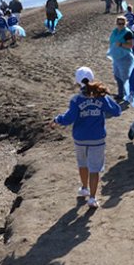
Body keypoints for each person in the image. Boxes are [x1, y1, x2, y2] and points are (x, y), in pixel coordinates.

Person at [50, 67, 122, 208]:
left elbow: (68, 119)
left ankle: (84, 188)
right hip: (97, 139)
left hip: (80, 138)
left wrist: (56, 119)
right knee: (94, 168)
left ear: (77, 82)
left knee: (82, 164)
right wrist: (106, 98)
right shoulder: (101, 98)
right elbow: (117, 111)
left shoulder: (76, 100)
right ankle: (93, 198)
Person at [108, 16, 134, 102]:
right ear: (116, 24)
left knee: (125, 77)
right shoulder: (115, 32)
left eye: (123, 24)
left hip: (125, 58)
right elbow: (112, 42)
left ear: (125, 23)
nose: (121, 25)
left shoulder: (128, 33)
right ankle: (121, 94)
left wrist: (120, 44)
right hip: (116, 58)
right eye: (119, 23)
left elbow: (131, 45)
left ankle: (129, 95)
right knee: (117, 76)